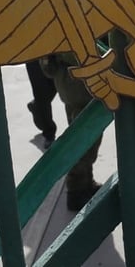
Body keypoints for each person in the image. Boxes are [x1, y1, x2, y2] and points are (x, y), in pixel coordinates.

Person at [39, 53, 105, 212]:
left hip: (68, 77)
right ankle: (76, 190)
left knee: (82, 132)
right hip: (77, 78)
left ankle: (85, 183)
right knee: (85, 137)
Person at [26, 58, 58, 149]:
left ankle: (37, 106)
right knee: (41, 94)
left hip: (56, 51)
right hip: (34, 54)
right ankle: (49, 134)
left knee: (58, 84)